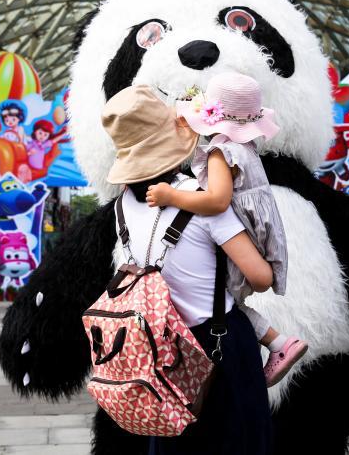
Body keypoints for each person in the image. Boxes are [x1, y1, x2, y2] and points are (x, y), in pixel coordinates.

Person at [102, 85, 272, 455]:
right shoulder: (202, 199)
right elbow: (260, 277)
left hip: (161, 353)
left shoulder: (123, 207)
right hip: (220, 346)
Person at [147, 72, 306, 386]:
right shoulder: (246, 150)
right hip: (259, 230)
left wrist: (172, 195)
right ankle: (279, 343)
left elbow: (218, 201)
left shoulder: (222, 152)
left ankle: (279, 343)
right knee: (234, 300)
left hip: (242, 232)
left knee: (222, 302)